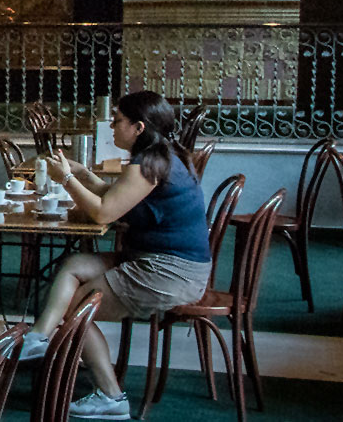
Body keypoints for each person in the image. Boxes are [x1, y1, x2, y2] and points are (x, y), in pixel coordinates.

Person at [16, 91, 212, 419]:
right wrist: (81, 174)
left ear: (138, 127)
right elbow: (114, 195)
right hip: (160, 258)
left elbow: (104, 214)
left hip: (171, 271)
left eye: (117, 120)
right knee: (74, 265)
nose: (111, 126)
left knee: (76, 308)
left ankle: (111, 396)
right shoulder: (159, 155)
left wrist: (65, 179)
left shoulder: (148, 164)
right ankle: (38, 338)